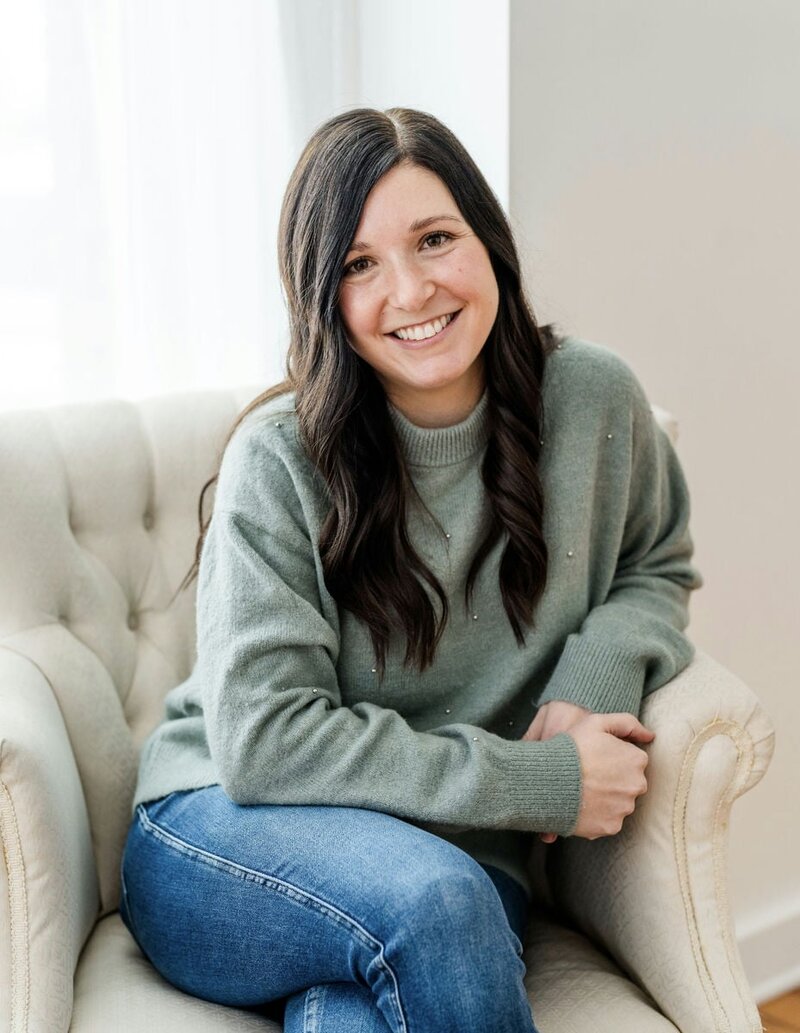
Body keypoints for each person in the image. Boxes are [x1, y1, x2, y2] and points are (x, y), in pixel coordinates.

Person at [119, 107, 703, 1033]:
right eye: (359, 264)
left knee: (365, 1004)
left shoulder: (594, 400)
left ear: (490, 241)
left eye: (435, 239)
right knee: (439, 901)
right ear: (323, 296)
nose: (410, 289)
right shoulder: (281, 459)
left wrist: (596, 672)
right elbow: (267, 742)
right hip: (224, 834)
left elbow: (656, 558)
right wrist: (538, 778)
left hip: (449, 867)